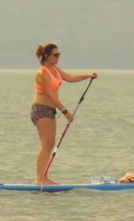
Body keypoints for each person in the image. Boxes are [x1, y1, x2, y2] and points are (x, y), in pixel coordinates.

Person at [31, 42, 97, 185]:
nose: (58, 57)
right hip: (40, 109)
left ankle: (45, 177)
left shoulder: (54, 69)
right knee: (45, 145)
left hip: (51, 110)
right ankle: (39, 179)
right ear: (47, 56)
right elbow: (51, 96)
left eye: (59, 55)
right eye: (55, 55)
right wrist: (65, 112)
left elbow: (70, 78)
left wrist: (88, 76)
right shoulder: (42, 73)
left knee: (51, 143)